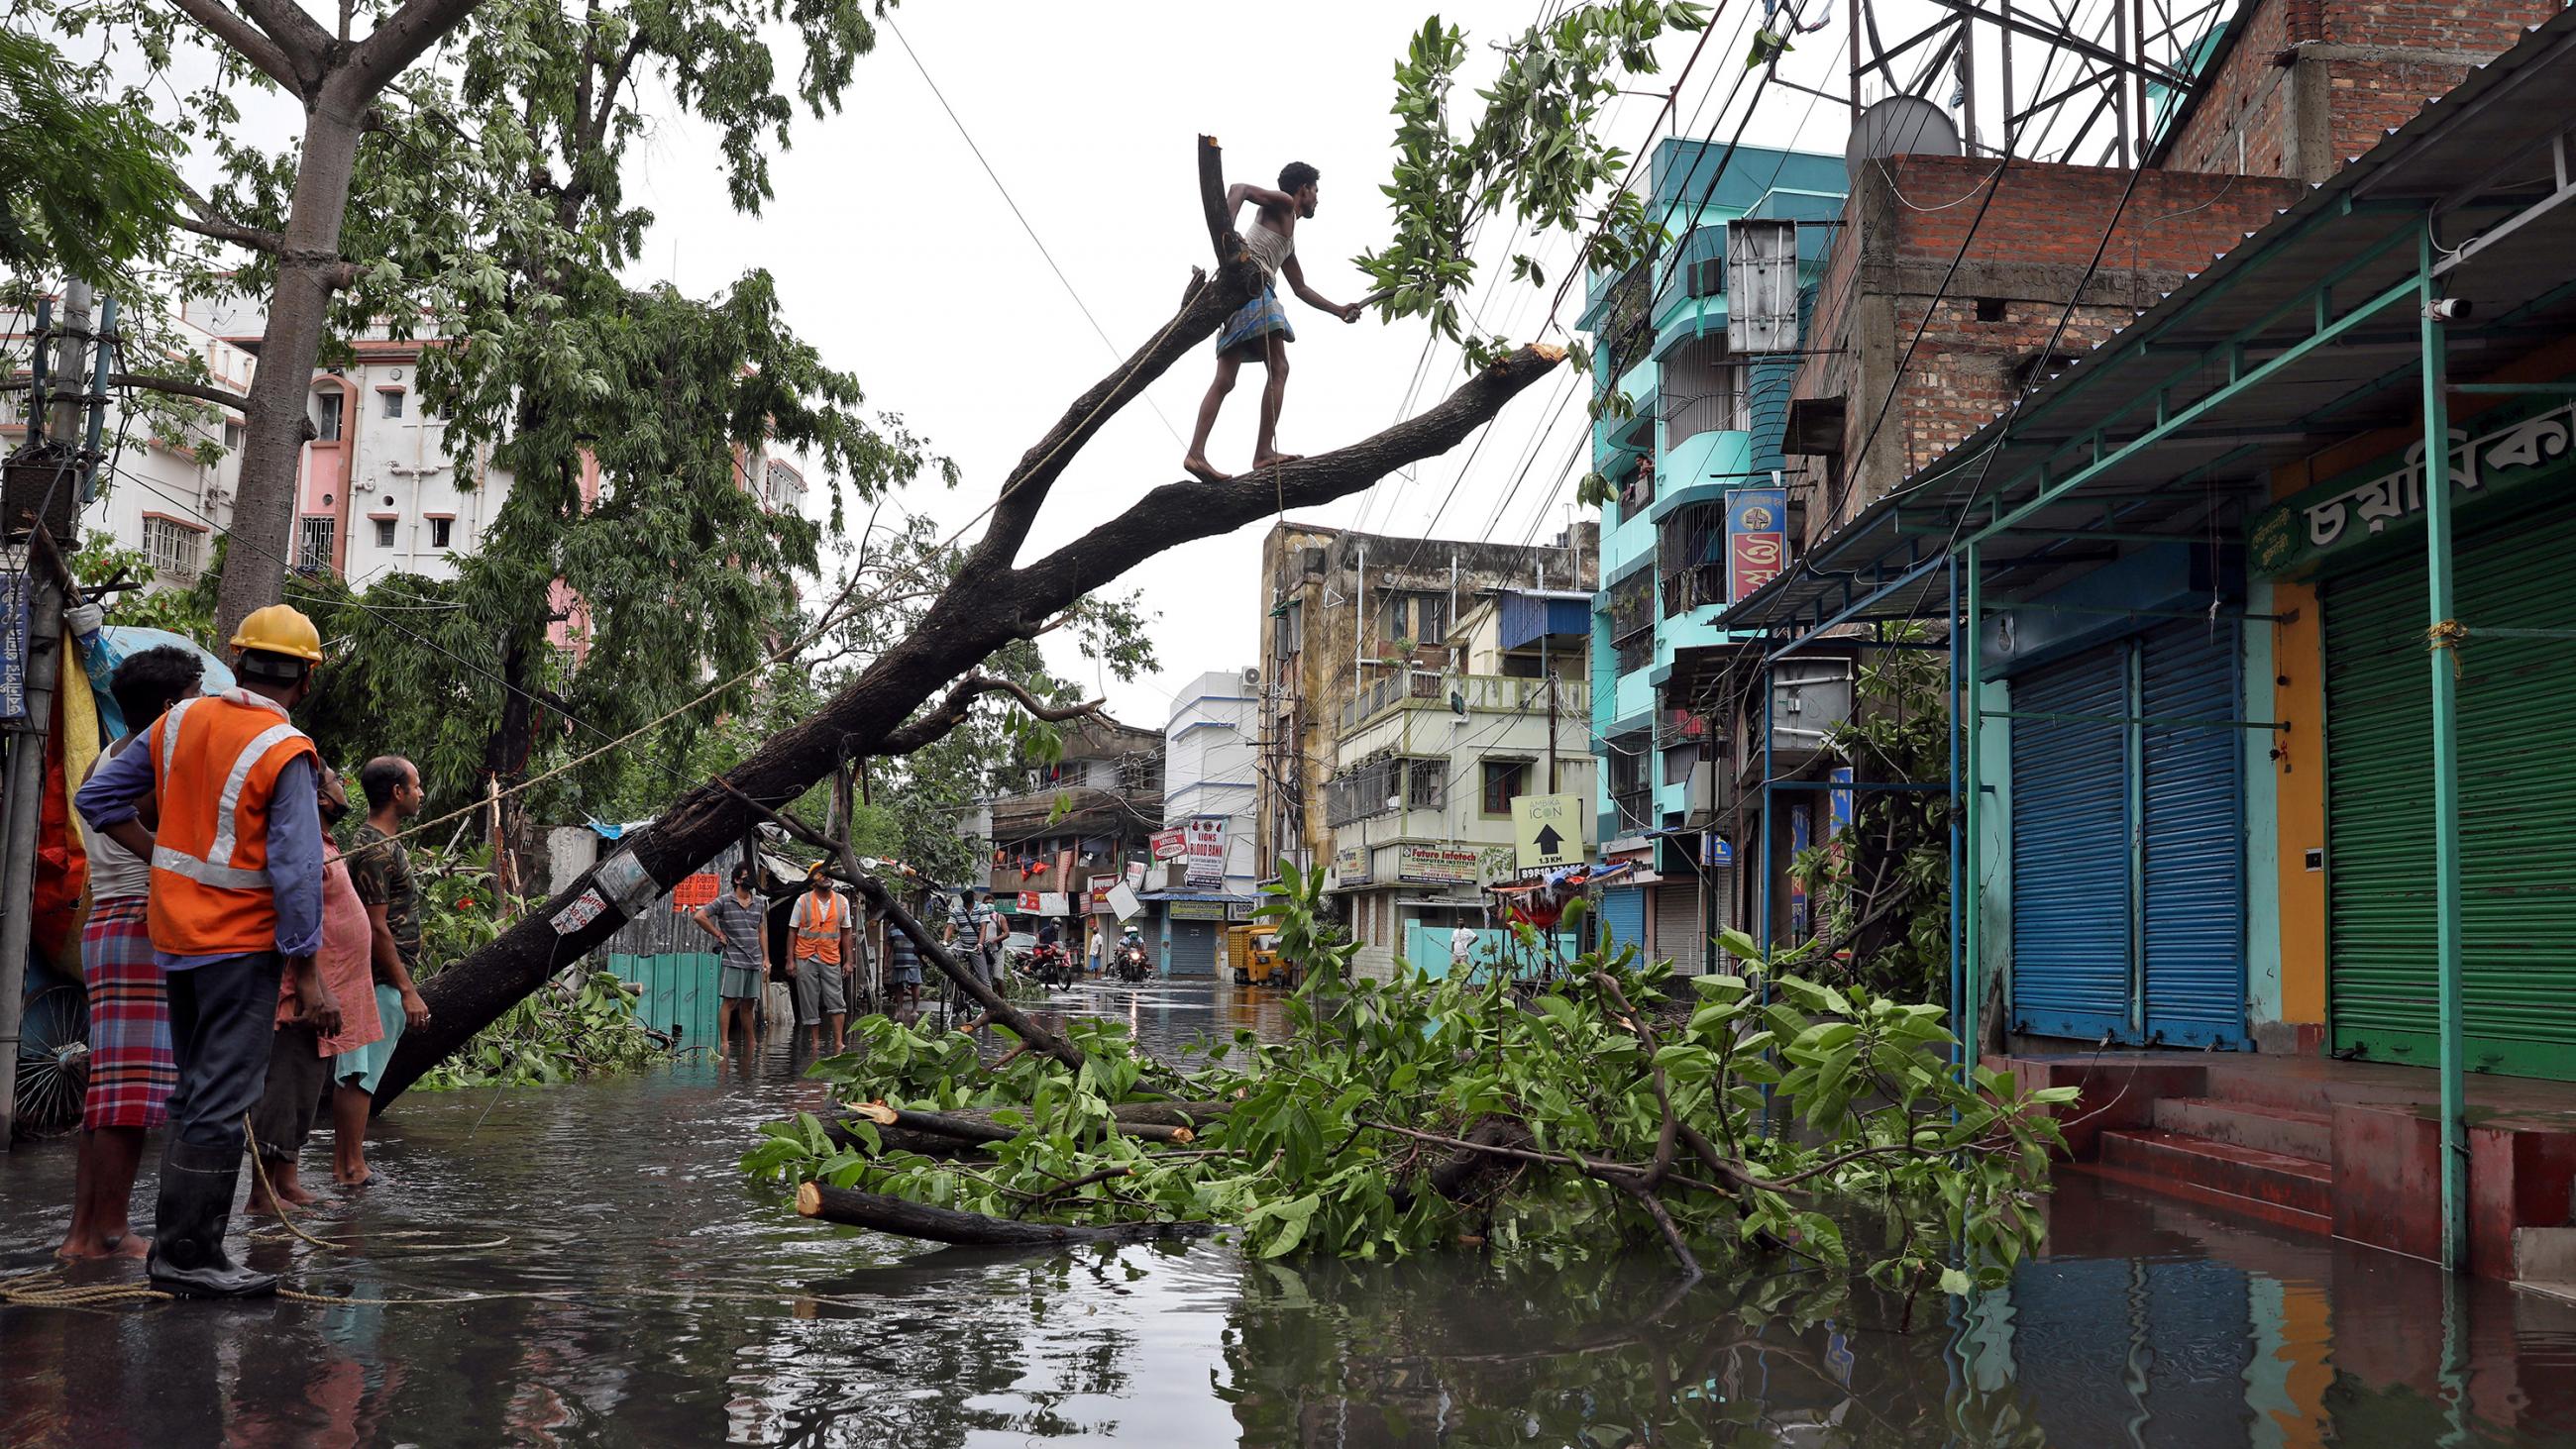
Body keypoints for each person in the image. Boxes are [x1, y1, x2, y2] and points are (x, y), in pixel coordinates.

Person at [76, 604, 341, 1296]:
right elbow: (293, 868)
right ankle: (190, 1257)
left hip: (174, 941)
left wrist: (162, 856)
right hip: (239, 948)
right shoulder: (285, 749)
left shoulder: (178, 720)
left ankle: (177, 1251)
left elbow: (98, 796)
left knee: (195, 1093)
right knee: (220, 1097)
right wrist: (308, 970)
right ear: (305, 679)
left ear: (237, 658)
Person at [56, 646, 201, 1260]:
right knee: (133, 1094)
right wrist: (168, 861)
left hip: (111, 926)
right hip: (142, 924)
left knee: (113, 1088)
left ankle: (84, 1232)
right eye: (195, 697)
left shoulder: (107, 761)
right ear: (170, 708)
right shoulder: (152, 766)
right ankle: (110, 1231)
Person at [248, 767, 380, 1213]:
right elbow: (295, 915)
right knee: (285, 1086)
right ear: (321, 798)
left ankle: (286, 1182)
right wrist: (313, 983)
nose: (344, 786)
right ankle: (263, 1194)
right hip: (304, 992)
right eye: (336, 779)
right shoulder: (302, 845)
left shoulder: (322, 845)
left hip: (326, 990)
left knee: (303, 1088)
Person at [1181, 160, 1364, 483]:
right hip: (1252, 287)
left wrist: (1338, 310)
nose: (1318, 198)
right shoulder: (1283, 202)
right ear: (1303, 189)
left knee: (1225, 381)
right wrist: (1229, 235)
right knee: (1279, 368)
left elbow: (1301, 288)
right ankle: (1264, 452)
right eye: (1316, 191)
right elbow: (1240, 189)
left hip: (1236, 297)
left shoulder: (1289, 239)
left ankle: (1196, 453)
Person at [332, 756, 433, 1189]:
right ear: (397, 793)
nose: (421, 792)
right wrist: (407, 989)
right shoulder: (374, 849)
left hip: (380, 977)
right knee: (360, 1073)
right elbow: (375, 926)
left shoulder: (380, 843)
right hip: (376, 979)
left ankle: (349, 1164)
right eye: (415, 785)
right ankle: (350, 1167)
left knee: (361, 1071)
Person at [692, 865, 770, 1062]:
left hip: (754, 960)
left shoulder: (759, 903)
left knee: (749, 1004)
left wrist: (766, 957)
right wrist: (718, 933)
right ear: (737, 880)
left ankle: (751, 1042)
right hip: (733, 958)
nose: (750, 880)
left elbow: (761, 931)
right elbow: (699, 916)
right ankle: (725, 1043)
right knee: (729, 1001)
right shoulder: (725, 901)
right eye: (746, 877)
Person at [789, 864, 856, 1053]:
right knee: (809, 999)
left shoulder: (842, 902)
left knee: (836, 1000)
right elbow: (792, 931)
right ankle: (815, 1041)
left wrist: (849, 960)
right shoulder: (802, 901)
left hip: (830, 956)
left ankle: (838, 1041)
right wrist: (790, 960)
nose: (826, 877)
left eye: (828, 874)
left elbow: (847, 933)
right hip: (805, 955)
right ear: (812, 880)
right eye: (821, 874)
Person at [945, 885, 1002, 991]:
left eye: (969, 894)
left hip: (976, 946)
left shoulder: (981, 908)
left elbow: (983, 928)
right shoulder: (956, 910)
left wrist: (980, 944)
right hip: (962, 943)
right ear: (962, 896)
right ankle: (952, 983)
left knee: (984, 979)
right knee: (948, 954)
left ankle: (989, 1004)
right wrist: (944, 941)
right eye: (965, 894)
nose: (968, 896)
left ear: (973, 895)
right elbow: (950, 927)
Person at [881, 911, 923, 1023]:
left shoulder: (916, 925)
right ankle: (900, 1009)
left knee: (915, 984)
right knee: (898, 985)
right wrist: (885, 960)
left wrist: (923, 957)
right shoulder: (892, 927)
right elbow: (889, 944)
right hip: (899, 961)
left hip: (913, 960)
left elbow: (922, 942)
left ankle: (915, 1009)